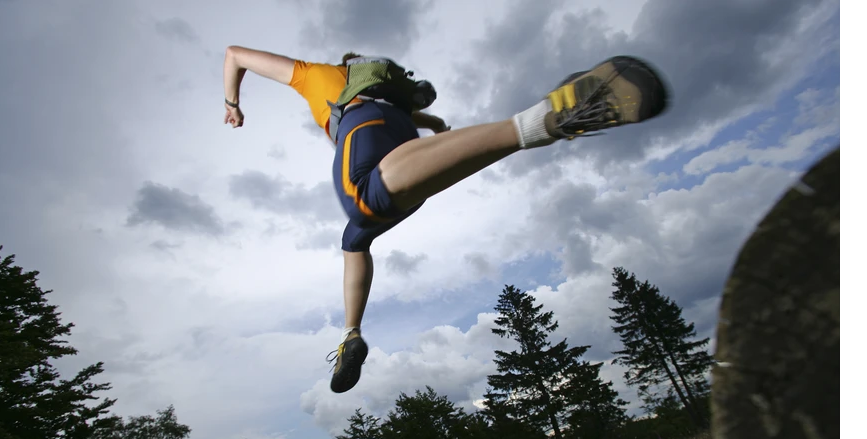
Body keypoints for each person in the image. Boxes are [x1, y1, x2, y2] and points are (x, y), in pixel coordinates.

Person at [221, 46, 670, 394]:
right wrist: (437, 130)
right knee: (354, 240)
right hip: (405, 153)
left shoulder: (314, 74)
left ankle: (538, 122)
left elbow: (234, 55)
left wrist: (232, 103)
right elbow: (432, 119)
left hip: (365, 133)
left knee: (362, 201)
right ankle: (350, 335)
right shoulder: (396, 99)